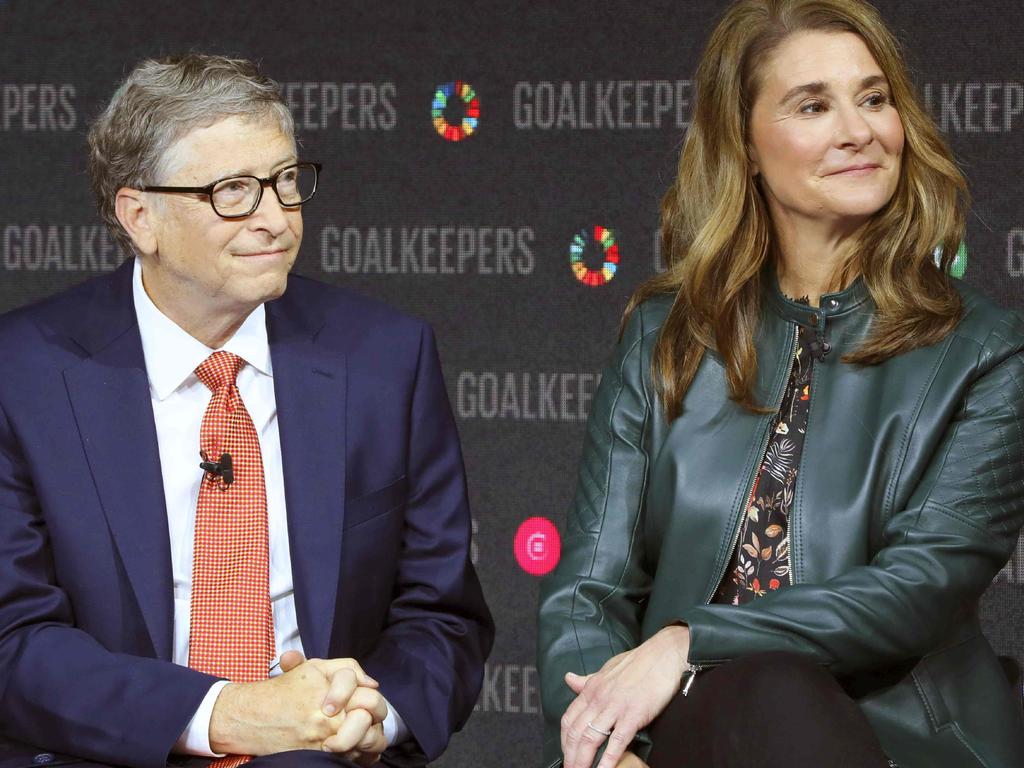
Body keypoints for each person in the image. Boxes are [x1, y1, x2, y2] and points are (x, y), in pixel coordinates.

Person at [537, 1, 1024, 767]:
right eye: (813, 105)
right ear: (747, 147)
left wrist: (692, 641)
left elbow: (917, 587)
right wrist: (599, 743)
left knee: (774, 690)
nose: (859, 130)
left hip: (895, 738)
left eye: (873, 98)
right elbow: (587, 590)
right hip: (683, 735)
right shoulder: (666, 334)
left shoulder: (985, 349)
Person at [0, 54, 493, 768]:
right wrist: (223, 716)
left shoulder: (386, 358)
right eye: (234, 191)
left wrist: (373, 714)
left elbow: (441, 614)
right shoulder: (22, 374)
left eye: (286, 182)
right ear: (141, 216)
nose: (276, 219)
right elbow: (13, 639)